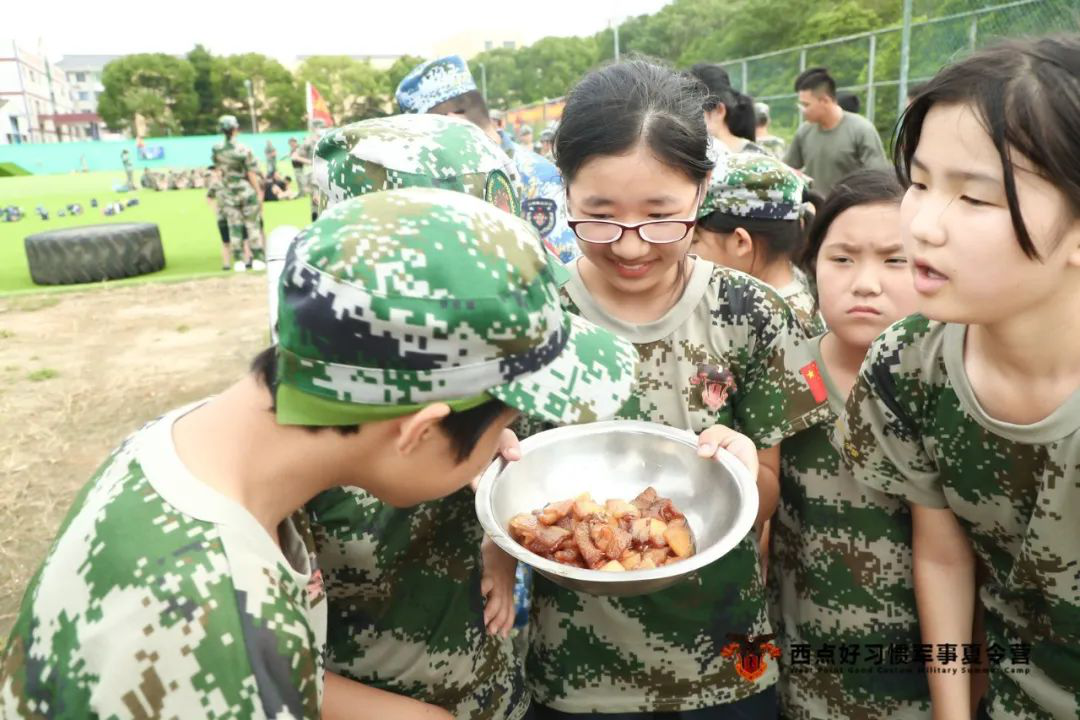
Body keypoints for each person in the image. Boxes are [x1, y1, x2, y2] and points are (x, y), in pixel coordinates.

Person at [0, 186, 636, 720]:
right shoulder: (203, 619)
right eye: (505, 423)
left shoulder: (199, 451)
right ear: (417, 430)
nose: (503, 448)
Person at [506, 58, 830, 719]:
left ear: (702, 189)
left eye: (660, 217)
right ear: (564, 191)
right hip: (573, 677)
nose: (631, 247)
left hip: (729, 671)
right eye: (598, 216)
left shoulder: (752, 312)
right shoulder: (532, 319)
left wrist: (744, 463)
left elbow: (769, 492)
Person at [838, 36, 1080, 720]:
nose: (924, 226)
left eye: (975, 200)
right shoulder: (907, 365)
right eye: (917, 183)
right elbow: (945, 559)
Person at [305, 113, 576, 720]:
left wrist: (502, 544)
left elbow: (524, 471)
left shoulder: (498, 358)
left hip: (494, 685)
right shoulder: (292, 435)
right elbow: (259, 662)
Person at [768, 168, 929, 719]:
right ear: (811, 265)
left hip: (921, 689)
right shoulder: (782, 374)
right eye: (842, 259)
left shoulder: (952, 387)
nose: (865, 283)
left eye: (895, 259)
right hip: (801, 683)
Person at [396, 55, 579, 264]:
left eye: (426, 132)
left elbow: (565, 270)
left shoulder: (538, 178)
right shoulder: (436, 184)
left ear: (453, 117)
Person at [691, 152, 825, 338]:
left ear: (740, 242)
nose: (688, 254)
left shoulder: (780, 324)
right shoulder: (759, 302)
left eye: (695, 241)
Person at [784, 67, 886, 195]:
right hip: (814, 210)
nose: (802, 110)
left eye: (806, 105)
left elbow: (879, 178)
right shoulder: (804, 132)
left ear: (825, 101)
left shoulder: (861, 130)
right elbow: (787, 169)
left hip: (848, 209)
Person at [212, 114, 264, 271]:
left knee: (234, 227)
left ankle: (240, 260)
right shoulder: (243, 149)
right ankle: (257, 259)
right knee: (252, 225)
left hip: (227, 192)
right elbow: (251, 173)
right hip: (245, 191)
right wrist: (258, 192)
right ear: (235, 129)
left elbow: (218, 170)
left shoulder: (217, 149)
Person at [688, 63, 766, 156]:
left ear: (718, 111)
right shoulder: (691, 159)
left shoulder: (756, 161)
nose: (683, 121)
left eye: (691, 111)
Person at [206, 164, 236, 271]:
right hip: (222, 217)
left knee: (237, 240)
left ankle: (241, 261)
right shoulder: (215, 185)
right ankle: (226, 264)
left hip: (235, 216)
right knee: (226, 241)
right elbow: (209, 197)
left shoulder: (234, 183)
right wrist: (214, 209)